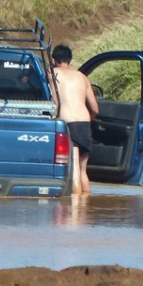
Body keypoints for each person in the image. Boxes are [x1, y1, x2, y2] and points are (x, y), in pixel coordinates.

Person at [52, 44, 99, 195]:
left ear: (54, 60)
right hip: (84, 123)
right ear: (70, 61)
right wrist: (88, 120)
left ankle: (76, 210)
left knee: (73, 172)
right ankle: (84, 207)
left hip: (66, 124)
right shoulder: (82, 77)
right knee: (82, 171)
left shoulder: (52, 73)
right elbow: (95, 109)